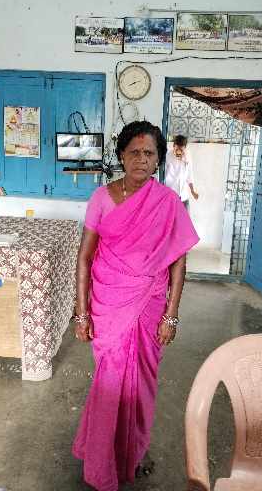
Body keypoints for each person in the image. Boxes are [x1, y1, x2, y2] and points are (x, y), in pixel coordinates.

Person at [72, 121, 199, 491]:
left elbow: (178, 263)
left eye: (149, 153)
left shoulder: (168, 202)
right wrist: (81, 313)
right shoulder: (101, 198)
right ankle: (102, 457)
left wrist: (171, 316)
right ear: (121, 156)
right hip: (109, 304)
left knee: (141, 385)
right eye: (134, 152)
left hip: (149, 306)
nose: (141, 159)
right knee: (109, 383)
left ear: (158, 159)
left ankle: (132, 453)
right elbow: (84, 258)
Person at [165, 134, 199, 210]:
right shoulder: (167, 156)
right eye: (177, 149)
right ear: (173, 146)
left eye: (182, 150)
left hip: (183, 196)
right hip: (170, 197)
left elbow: (189, 175)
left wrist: (192, 190)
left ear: (185, 148)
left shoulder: (187, 156)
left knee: (186, 217)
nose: (179, 152)